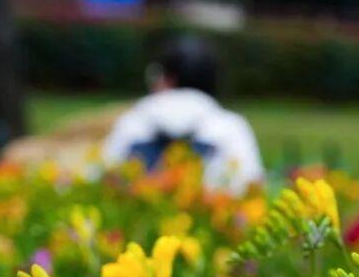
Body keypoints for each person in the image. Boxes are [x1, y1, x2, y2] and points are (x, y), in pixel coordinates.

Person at [102, 36, 265, 195]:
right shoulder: (231, 126)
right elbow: (252, 185)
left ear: (167, 79)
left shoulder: (134, 119)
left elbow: (101, 179)